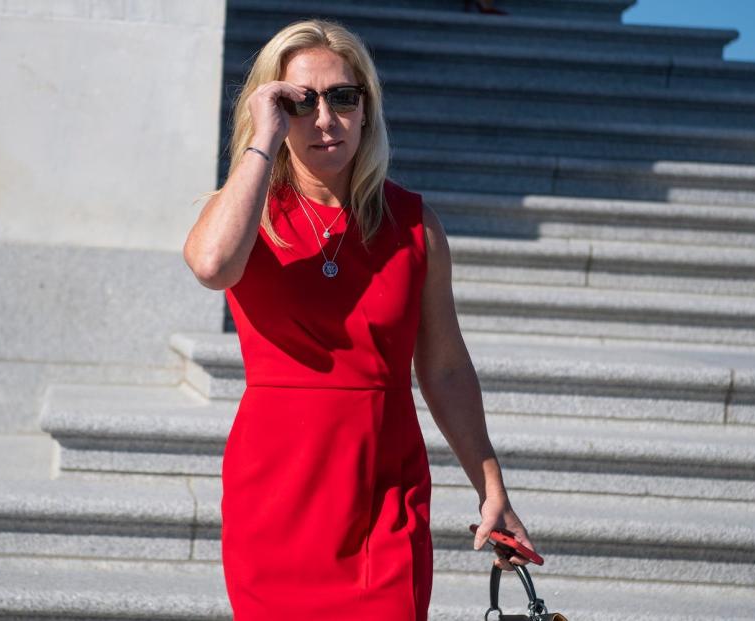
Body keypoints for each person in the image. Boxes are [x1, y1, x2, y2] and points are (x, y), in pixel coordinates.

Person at [183, 18, 537, 620]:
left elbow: (447, 370)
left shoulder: (414, 224)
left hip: (383, 488)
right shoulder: (246, 212)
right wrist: (262, 142)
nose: (325, 119)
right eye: (300, 101)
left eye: (343, 98)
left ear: (367, 109)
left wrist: (492, 489)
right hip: (276, 489)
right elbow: (213, 265)